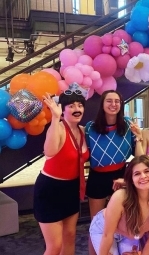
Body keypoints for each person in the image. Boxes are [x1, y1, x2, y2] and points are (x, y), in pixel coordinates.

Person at [85, 90, 142, 255]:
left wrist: (138, 137)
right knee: (96, 224)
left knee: (121, 221)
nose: (113, 104)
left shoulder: (127, 124)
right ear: (102, 104)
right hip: (98, 177)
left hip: (121, 176)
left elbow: (139, 157)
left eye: (117, 101)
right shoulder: (91, 128)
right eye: (109, 101)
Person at [34, 90, 89, 255]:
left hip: (71, 189)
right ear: (63, 110)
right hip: (50, 189)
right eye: (71, 106)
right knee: (55, 246)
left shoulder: (83, 131)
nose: (76, 109)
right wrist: (55, 118)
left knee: (70, 236)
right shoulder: (58, 127)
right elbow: (49, 152)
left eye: (80, 105)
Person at [89, 155, 149, 255]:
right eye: (137, 173)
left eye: (147, 171)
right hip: (103, 229)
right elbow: (107, 235)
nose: (143, 176)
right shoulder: (120, 197)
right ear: (131, 180)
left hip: (130, 235)